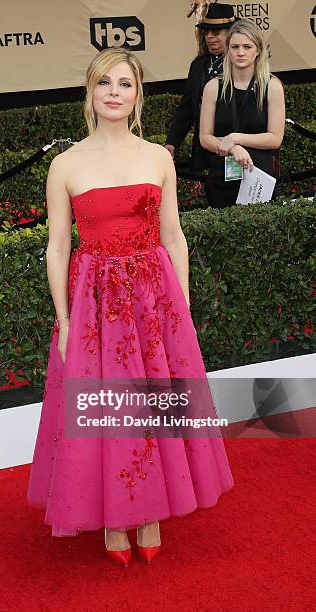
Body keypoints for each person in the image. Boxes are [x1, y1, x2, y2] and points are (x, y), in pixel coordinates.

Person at [27, 47, 234, 567]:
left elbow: (175, 239)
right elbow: (57, 247)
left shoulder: (157, 157)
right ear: (90, 93)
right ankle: (117, 519)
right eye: (105, 83)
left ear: (138, 94)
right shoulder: (66, 165)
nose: (114, 92)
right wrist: (65, 319)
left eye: (124, 83)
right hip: (95, 305)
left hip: (152, 298)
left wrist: (180, 307)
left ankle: (150, 511)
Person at [199, 19, 285, 208]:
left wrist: (235, 138)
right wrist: (233, 148)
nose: (240, 52)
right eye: (235, 46)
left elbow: (274, 138)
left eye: (247, 46)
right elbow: (205, 137)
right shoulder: (213, 87)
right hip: (221, 179)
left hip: (259, 179)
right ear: (227, 50)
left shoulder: (272, 87)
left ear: (258, 50)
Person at [165, 3, 237, 175]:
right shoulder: (198, 65)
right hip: (203, 151)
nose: (210, 37)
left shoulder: (240, 64)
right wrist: (171, 143)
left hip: (235, 149)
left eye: (216, 32)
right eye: (206, 32)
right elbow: (187, 107)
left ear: (231, 33)